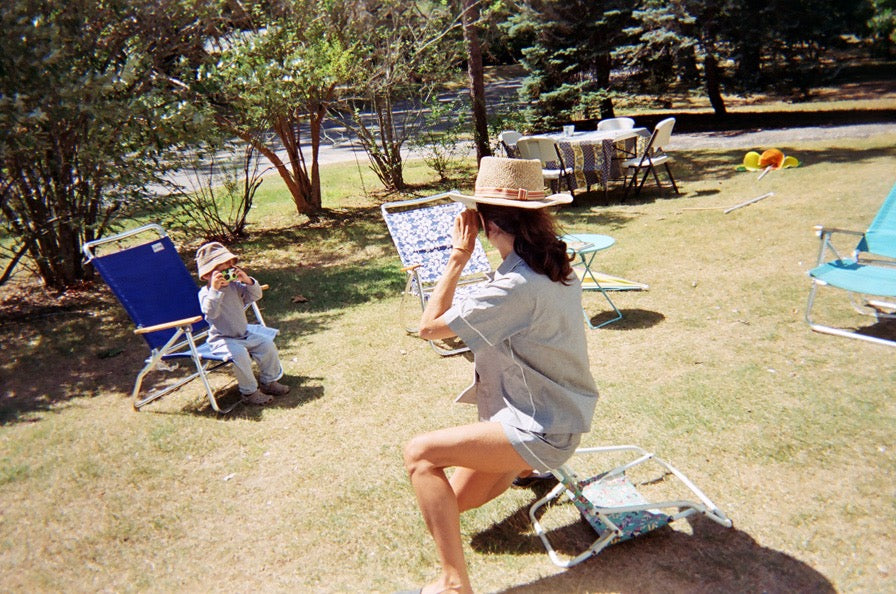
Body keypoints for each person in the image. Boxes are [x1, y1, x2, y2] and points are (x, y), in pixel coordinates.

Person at [401, 157, 599, 594]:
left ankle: (455, 584)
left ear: (487, 226)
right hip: (543, 418)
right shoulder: (553, 265)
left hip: (540, 429)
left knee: (421, 455)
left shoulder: (515, 287)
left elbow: (429, 328)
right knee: (446, 508)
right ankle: (525, 470)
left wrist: (456, 258)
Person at [195, 242, 290, 405]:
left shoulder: (234, 286)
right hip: (222, 339)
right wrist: (215, 291)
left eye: (230, 268)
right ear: (206, 276)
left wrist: (247, 281)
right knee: (239, 354)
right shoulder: (206, 294)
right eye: (221, 271)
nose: (227, 273)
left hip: (244, 333)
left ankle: (269, 382)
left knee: (266, 344)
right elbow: (211, 313)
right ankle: (250, 393)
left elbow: (255, 296)